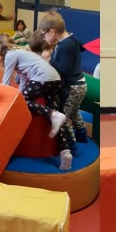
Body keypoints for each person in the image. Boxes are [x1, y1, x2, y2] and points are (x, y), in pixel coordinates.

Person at [0, 33, 71, 170]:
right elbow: (23, 81)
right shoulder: (22, 53)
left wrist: (2, 101)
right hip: (55, 79)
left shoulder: (10, 55)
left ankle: (52, 114)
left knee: (24, 101)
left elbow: (6, 82)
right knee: (56, 116)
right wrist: (20, 94)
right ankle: (66, 152)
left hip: (42, 78)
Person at [38, 10, 88, 145]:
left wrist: (49, 60)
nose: (44, 38)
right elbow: (82, 47)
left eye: (44, 34)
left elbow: (63, 69)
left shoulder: (65, 45)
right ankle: (82, 135)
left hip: (72, 87)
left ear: (52, 31)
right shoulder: (70, 39)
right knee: (74, 112)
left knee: (63, 116)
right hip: (80, 84)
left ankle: (71, 145)